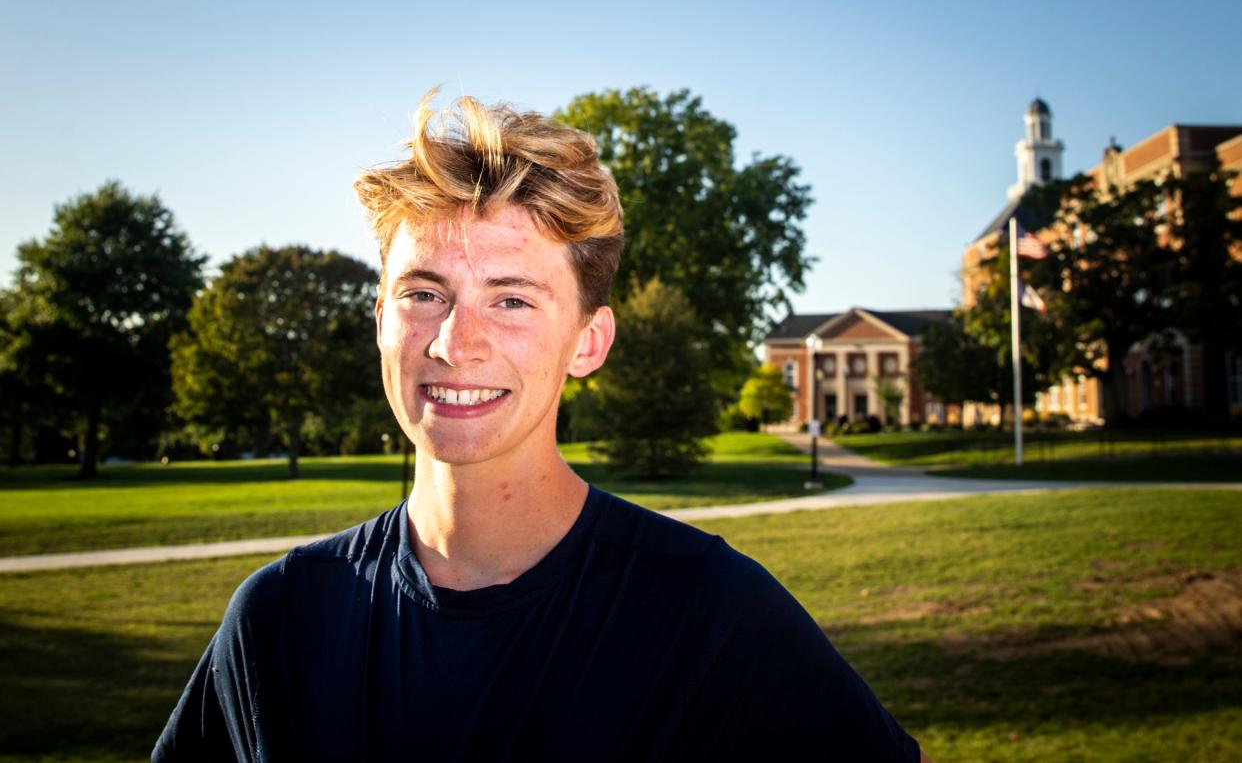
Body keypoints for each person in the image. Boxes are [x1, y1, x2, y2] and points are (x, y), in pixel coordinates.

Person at [153, 92, 927, 762]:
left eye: (512, 299)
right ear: (380, 319)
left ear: (588, 342)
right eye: (423, 293)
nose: (457, 342)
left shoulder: (709, 614)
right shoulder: (282, 619)